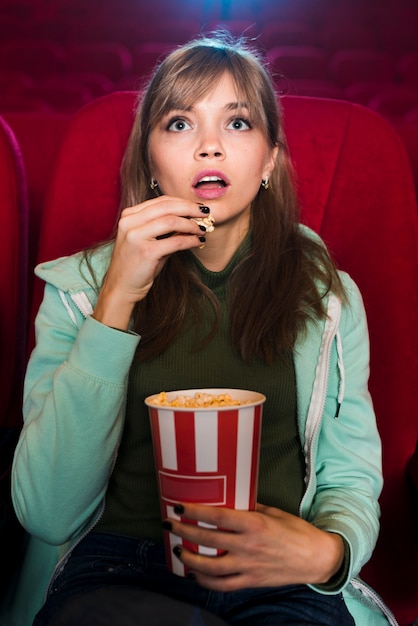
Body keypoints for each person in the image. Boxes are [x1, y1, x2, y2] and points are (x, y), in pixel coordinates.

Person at [2, 32, 394, 626]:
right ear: (150, 163)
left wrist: (326, 552)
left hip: (278, 581)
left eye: (237, 124)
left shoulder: (330, 298)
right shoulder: (79, 292)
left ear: (269, 161)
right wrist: (115, 302)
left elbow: (351, 476)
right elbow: (48, 511)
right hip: (118, 571)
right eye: (180, 123)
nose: (209, 146)